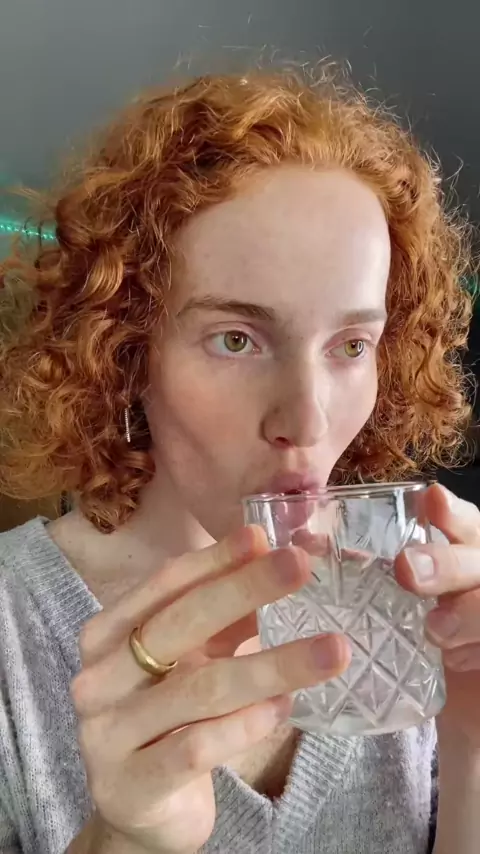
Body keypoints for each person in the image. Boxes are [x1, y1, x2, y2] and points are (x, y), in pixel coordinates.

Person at [0, 68, 479, 854]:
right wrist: (123, 840)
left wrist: (471, 738)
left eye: (351, 346)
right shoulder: (12, 634)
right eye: (236, 339)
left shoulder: (407, 609)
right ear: (126, 351)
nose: (308, 419)